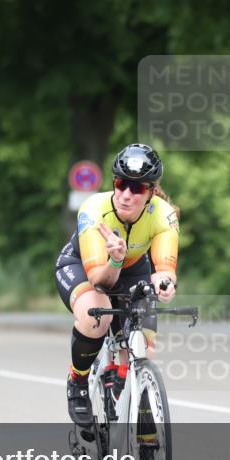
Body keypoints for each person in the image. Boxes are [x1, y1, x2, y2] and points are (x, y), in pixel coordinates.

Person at [55, 143, 180, 428]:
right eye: (121, 184)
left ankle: (142, 434)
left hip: (133, 270)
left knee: (144, 346)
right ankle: (78, 381)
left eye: (136, 188)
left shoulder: (164, 215)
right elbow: (101, 281)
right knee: (98, 315)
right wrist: (114, 260)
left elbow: (164, 268)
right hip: (87, 267)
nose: (125, 195)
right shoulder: (94, 209)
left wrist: (165, 284)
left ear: (150, 192)